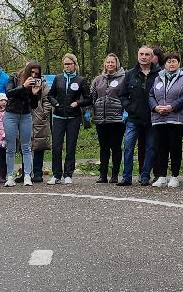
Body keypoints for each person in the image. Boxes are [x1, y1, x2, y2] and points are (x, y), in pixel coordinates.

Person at [117, 45, 159, 186]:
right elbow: (122, 95)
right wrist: (131, 108)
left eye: (147, 54)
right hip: (133, 118)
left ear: (152, 57)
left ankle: (145, 175)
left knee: (151, 147)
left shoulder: (159, 74)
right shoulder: (130, 74)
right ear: (137, 55)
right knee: (128, 147)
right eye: (141, 54)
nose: (144, 56)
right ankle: (127, 177)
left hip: (153, 117)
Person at [149, 51, 183, 186]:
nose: (171, 64)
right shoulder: (157, 78)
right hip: (159, 118)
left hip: (176, 118)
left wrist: (172, 107)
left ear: (179, 63)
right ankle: (161, 175)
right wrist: (155, 107)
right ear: (165, 63)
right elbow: (151, 95)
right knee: (161, 147)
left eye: (174, 61)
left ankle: (174, 175)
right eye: (168, 61)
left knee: (175, 147)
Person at [1, 63, 43, 185]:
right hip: (11, 114)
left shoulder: (35, 83)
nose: (34, 75)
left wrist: (34, 94)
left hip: (26, 115)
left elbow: (34, 106)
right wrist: (24, 87)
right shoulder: (13, 78)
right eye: (32, 72)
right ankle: (10, 176)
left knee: (26, 146)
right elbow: (9, 93)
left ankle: (27, 176)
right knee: (11, 147)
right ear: (27, 71)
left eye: (36, 74)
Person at [48, 52, 86, 184]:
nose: (67, 66)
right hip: (58, 116)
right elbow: (50, 95)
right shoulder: (58, 78)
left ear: (75, 65)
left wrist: (78, 103)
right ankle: (56, 174)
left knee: (71, 146)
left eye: (69, 64)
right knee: (56, 146)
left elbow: (88, 99)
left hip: (73, 117)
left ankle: (68, 174)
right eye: (65, 64)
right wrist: (55, 103)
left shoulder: (81, 80)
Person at [89, 54, 126, 183]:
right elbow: (91, 96)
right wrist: (90, 111)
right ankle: (103, 174)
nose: (110, 65)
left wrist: (125, 112)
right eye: (108, 62)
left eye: (112, 62)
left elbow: (127, 96)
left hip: (117, 119)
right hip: (100, 118)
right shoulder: (98, 79)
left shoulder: (123, 78)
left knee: (116, 147)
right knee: (103, 147)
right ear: (105, 64)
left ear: (117, 64)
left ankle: (115, 174)